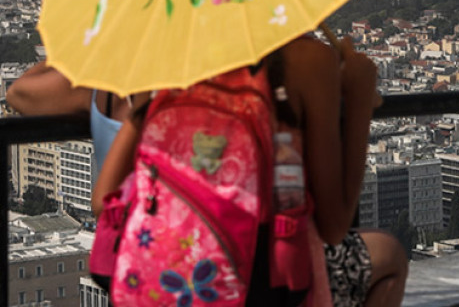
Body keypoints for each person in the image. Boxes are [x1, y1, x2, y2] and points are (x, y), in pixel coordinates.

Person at [91, 35, 407, 307]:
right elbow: (335, 226)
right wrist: (360, 100)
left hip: (166, 280)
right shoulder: (306, 59)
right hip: (265, 281)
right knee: (389, 254)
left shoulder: (165, 60)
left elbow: (102, 201)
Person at [7, 63, 140, 184]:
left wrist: (74, 51)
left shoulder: (97, 86)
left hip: (124, 205)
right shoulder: (155, 94)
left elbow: (17, 94)